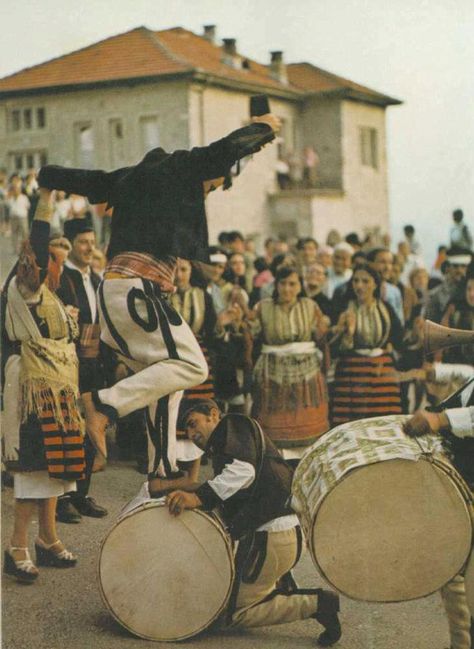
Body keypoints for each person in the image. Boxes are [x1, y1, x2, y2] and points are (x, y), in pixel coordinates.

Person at [38, 112, 280, 495]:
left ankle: (161, 469)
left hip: (116, 296)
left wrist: (47, 177)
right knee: (191, 364)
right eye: (213, 186)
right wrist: (265, 129)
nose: (210, 191)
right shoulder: (181, 168)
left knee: (165, 382)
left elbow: (87, 181)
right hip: (139, 292)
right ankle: (103, 405)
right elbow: (224, 151)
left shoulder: (130, 177)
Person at [165, 399, 342, 646]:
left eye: (194, 424)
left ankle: (318, 604)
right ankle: (278, 587)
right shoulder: (232, 438)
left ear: (213, 414)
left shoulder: (232, 426)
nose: (193, 434)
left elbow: (243, 472)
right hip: (279, 535)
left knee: (232, 614)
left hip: (272, 538)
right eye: (187, 431)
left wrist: (198, 497)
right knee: (228, 592)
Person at [2, 189, 84, 583]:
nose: (58, 267)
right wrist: (46, 198)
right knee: (34, 465)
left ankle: (48, 537)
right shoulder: (26, 288)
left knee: (55, 465)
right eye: (53, 259)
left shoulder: (51, 296)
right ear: (33, 262)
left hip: (58, 387)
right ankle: (17, 544)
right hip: (32, 387)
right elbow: (36, 242)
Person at [55, 218, 108, 523]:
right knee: (67, 429)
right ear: (71, 244)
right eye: (83, 242)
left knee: (91, 428)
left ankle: (81, 493)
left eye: (92, 241)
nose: (89, 248)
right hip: (69, 361)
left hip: (94, 361)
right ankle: (62, 498)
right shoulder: (62, 277)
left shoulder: (98, 280)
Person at [251, 267, 329, 457]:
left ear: (300, 286)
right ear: (276, 285)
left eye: (292, 284)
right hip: (273, 372)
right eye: (283, 284)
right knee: (274, 430)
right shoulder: (263, 307)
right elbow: (251, 335)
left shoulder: (311, 306)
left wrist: (326, 328)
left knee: (308, 426)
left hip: (307, 372)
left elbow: (321, 337)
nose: (287, 289)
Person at [331, 263, 403, 424]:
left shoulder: (385, 308)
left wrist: (389, 345)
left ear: (375, 284)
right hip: (351, 370)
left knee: (382, 419)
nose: (359, 286)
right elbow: (334, 345)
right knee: (352, 421)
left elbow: (398, 335)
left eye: (365, 281)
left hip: (381, 368)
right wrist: (343, 330)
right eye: (356, 281)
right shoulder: (344, 307)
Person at [425, 247, 471, 323]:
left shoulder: (471, 293)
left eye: (463, 266)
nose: (459, 270)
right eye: (455, 266)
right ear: (447, 268)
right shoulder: (436, 295)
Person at [367, 247, 404, 325]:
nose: (387, 267)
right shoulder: (360, 288)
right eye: (382, 262)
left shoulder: (394, 291)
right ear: (371, 264)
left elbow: (400, 321)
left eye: (390, 263)